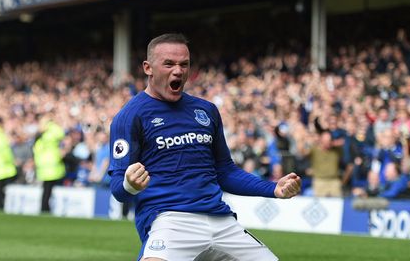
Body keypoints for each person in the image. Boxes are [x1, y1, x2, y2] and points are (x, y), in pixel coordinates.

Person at [108, 33, 301, 261]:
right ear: (148, 68)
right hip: (169, 220)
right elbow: (118, 190)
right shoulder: (130, 116)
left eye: (184, 64)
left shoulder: (206, 111)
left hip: (221, 220)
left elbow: (225, 171)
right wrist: (130, 184)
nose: (178, 71)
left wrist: (273, 189)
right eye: (169, 63)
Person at [33, 116, 66, 212]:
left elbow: (36, 151)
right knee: (48, 190)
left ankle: (44, 208)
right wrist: (52, 124)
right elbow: (61, 133)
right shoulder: (51, 133)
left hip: (43, 167)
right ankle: (45, 208)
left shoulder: (40, 138)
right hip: (52, 166)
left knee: (46, 190)